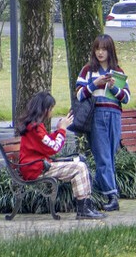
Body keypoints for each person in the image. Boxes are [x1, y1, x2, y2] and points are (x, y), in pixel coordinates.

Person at [15, 91, 105, 220]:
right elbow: (54, 147)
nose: (51, 112)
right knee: (79, 167)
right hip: (36, 169)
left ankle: (85, 206)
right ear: (45, 109)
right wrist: (62, 129)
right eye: (51, 108)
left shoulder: (33, 125)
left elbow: (46, 143)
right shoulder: (36, 128)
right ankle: (84, 207)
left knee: (79, 164)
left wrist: (59, 130)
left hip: (36, 166)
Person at [76, 35, 129, 211]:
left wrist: (113, 87)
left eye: (104, 49)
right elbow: (79, 94)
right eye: (97, 49)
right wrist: (95, 84)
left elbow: (126, 98)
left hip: (114, 115)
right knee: (103, 156)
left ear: (110, 51)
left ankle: (98, 190)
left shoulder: (118, 71)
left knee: (109, 156)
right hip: (96, 114)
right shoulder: (88, 70)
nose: (100, 52)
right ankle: (112, 196)